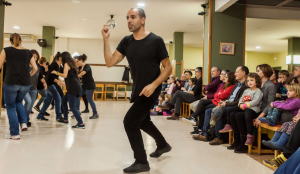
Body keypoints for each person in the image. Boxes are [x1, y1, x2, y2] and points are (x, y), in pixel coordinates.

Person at [102, 8, 172, 173]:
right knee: (143, 121)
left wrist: (154, 85)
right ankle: (163, 145)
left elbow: (168, 68)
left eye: (133, 17)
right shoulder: (126, 42)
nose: (129, 21)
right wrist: (106, 40)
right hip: (138, 89)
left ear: (143, 20)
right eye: (127, 18)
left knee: (130, 122)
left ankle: (141, 161)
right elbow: (110, 62)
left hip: (151, 88)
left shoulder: (156, 40)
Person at [0, 33, 37, 140]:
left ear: (10, 41)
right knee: (19, 102)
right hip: (25, 83)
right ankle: (24, 123)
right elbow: (35, 68)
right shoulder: (28, 52)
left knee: (10, 106)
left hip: (11, 82)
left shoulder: (6, 50)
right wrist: (28, 76)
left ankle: (14, 133)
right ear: (21, 41)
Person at [192, 72, 235, 142]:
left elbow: (222, 95)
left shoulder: (231, 87)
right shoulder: (224, 85)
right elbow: (216, 94)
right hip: (217, 101)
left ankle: (218, 137)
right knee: (207, 110)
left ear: (230, 79)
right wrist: (218, 95)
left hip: (222, 103)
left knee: (212, 110)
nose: (224, 78)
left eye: (226, 77)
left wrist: (218, 95)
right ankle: (204, 134)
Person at [54, 52, 84, 128]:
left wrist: (56, 72)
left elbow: (64, 75)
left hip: (73, 87)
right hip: (73, 86)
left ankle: (81, 123)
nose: (60, 58)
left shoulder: (66, 64)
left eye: (61, 57)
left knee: (72, 106)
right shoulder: (71, 64)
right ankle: (65, 119)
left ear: (64, 57)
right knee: (63, 101)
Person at [36, 52, 64, 121]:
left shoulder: (59, 66)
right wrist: (59, 82)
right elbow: (51, 76)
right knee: (58, 99)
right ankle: (59, 116)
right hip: (50, 84)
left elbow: (56, 76)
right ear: (60, 58)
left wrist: (60, 81)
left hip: (51, 84)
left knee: (48, 100)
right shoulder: (54, 65)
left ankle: (40, 115)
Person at [24, 50, 47, 127]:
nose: (35, 58)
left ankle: (25, 119)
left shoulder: (38, 67)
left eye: (36, 57)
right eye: (33, 56)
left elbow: (40, 77)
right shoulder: (25, 65)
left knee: (30, 105)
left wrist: (44, 83)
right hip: (25, 87)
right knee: (28, 102)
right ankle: (24, 119)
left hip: (34, 89)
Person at [75, 54, 99, 119]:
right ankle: (77, 111)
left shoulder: (87, 66)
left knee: (89, 99)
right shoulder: (80, 68)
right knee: (77, 95)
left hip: (90, 86)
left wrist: (77, 76)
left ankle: (95, 113)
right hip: (84, 85)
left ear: (81, 60)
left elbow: (83, 73)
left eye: (77, 61)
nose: (76, 62)